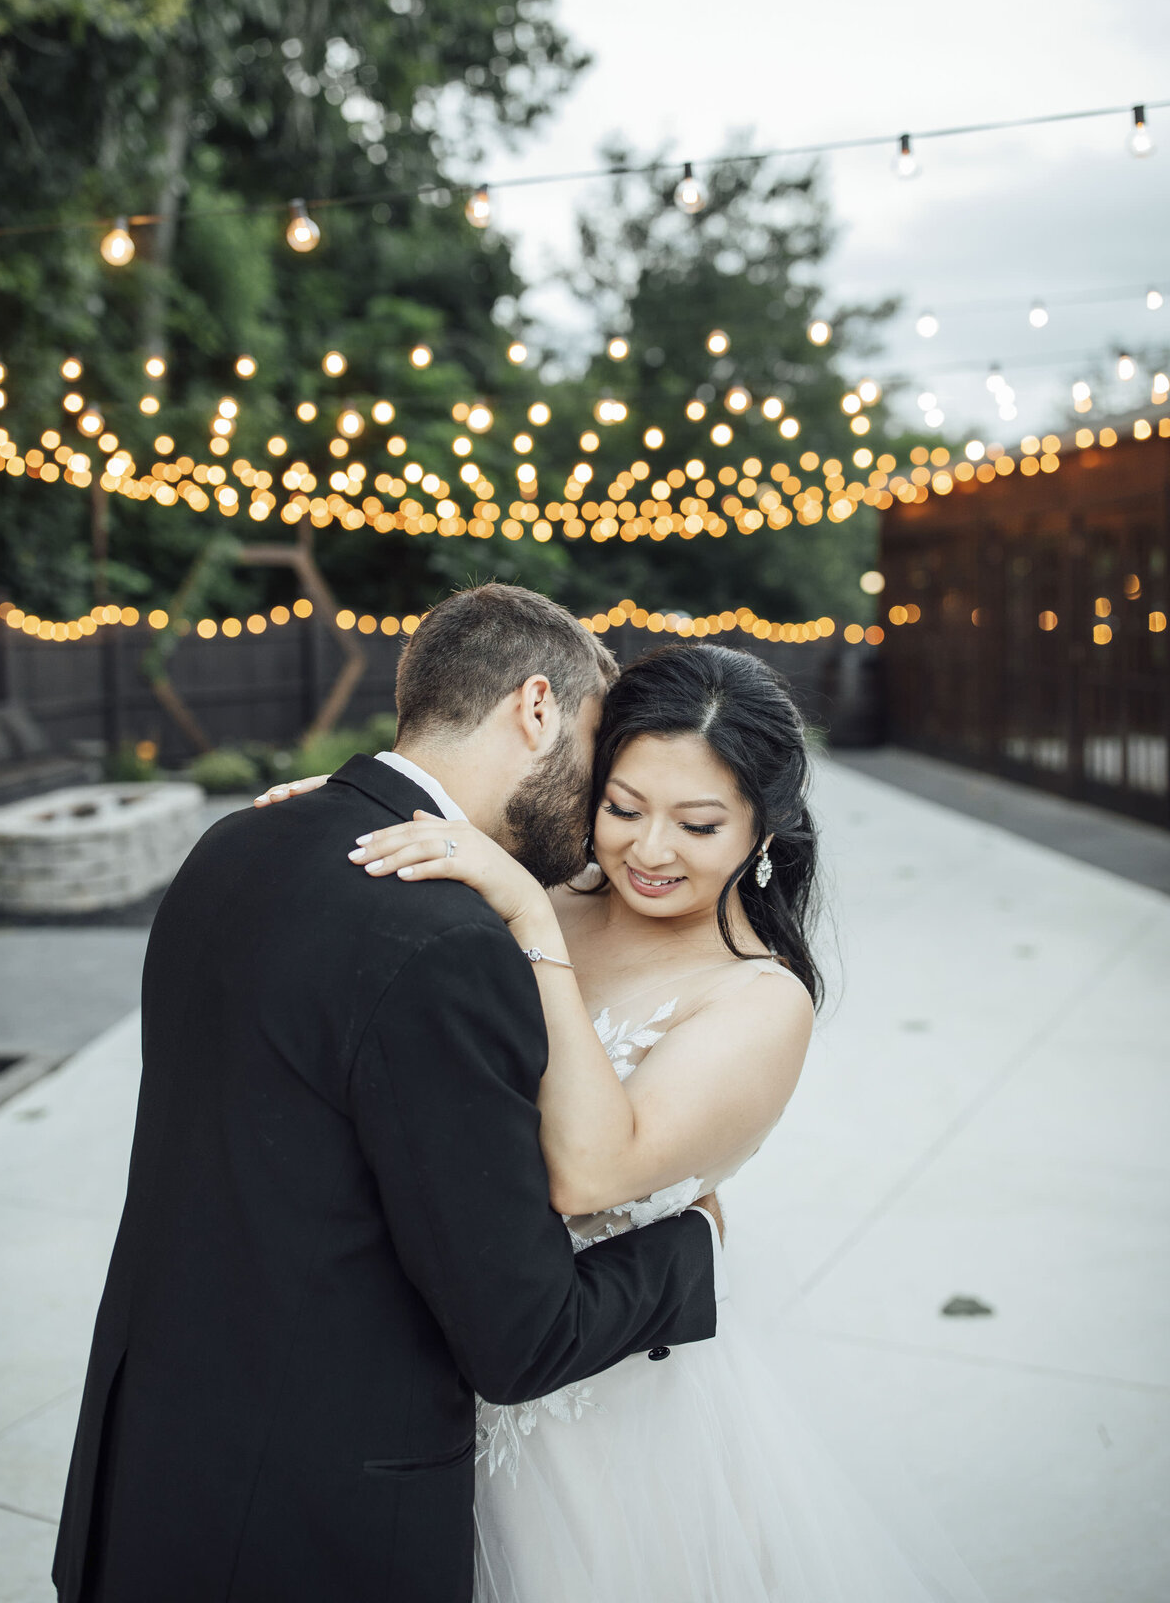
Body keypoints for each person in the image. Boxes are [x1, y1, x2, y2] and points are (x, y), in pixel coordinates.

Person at [269, 635, 992, 1603]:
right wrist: (358, 806)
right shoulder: (554, 891)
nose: (649, 852)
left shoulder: (757, 1000)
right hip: (438, 1358)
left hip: (604, 1407)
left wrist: (528, 918)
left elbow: (592, 1168)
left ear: (761, 833)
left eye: (698, 825)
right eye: (623, 808)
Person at [53, 584, 724, 1603]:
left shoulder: (237, 844)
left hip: (142, 1479)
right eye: (596, 750)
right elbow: (522, 1337)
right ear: (536, 709)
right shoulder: (448, 942)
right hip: (305, 1531)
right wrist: (695, 1245)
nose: (599, 815)